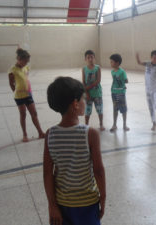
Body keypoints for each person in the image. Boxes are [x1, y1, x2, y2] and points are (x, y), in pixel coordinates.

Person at [44, 77, 106, 225]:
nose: (85, 101)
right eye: (83, 98)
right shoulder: (90, 134)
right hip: (88, 203)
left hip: (62, 203)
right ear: (75, 104)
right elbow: (98, 170)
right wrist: (103, 197)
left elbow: (48, 172)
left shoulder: (50, 134)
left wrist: (52, 205)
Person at [8, 48, 45, 142]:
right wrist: (16, 92)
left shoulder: (26, 67)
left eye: (27, 62)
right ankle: (25, 135)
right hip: (19, 97)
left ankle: (40, 132)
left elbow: (26, 78)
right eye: (25, 61)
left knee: (34, 113)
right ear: (19, 59)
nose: (26, 63)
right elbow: (11, 83)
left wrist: (28, 89)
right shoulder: (13, 70)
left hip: (28, 95)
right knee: (23, 114)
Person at [82, 50, 105, 131]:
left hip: (97, 93)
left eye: (92, 57)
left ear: (94, 58)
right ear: (85, 59)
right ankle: (86, 125)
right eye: (88, 57)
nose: (90, 59)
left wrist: (88, 88)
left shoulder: (97, 68)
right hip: (88, 94)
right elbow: (84, 82)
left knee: (100, 109)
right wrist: (87, 92)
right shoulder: (84, 69)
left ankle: (101, 124)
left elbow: (98, 80)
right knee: (87, 111)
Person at [109, 54, 129, 132]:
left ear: (117, 63)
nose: (110, 63)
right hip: (113, 92)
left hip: (121, 93)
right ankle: (114, 124)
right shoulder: (112, 72)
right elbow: (115, 81)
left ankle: (124, 125)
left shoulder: (122, 72)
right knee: (115, 109)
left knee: (123, 109)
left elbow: (126, 80)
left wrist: (122, 83)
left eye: (112, 62)